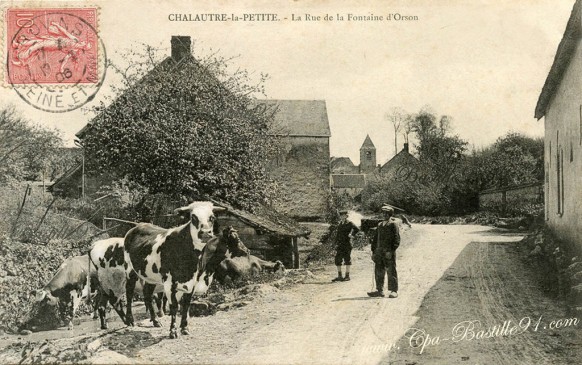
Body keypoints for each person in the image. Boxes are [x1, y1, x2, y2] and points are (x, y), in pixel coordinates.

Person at [368, 205, 400, 298]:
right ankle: (379, 290)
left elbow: (396, 239)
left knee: (391, 270)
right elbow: (375, 240)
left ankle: (394, 290)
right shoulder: (380, 225)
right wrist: (373, 251)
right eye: (383, 213)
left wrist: (391, 251)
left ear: (390, 215)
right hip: (379, 252)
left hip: (388, 252)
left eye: (387, 213)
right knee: (378, 270)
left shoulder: (393, 225)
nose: (384, 215)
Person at [332, 210, 360, 282]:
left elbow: (357, 229)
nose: (342, 217)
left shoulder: (349, 223)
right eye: (341, 215)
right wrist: (335, 243)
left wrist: (352, 234)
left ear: (346, 216)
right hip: (340, 244)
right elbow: (338, 235)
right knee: (338, 259)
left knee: (347, 259)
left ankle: (347, 276)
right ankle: (339, 276)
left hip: (347, 244)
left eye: (343, 215)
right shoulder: (340, 224)